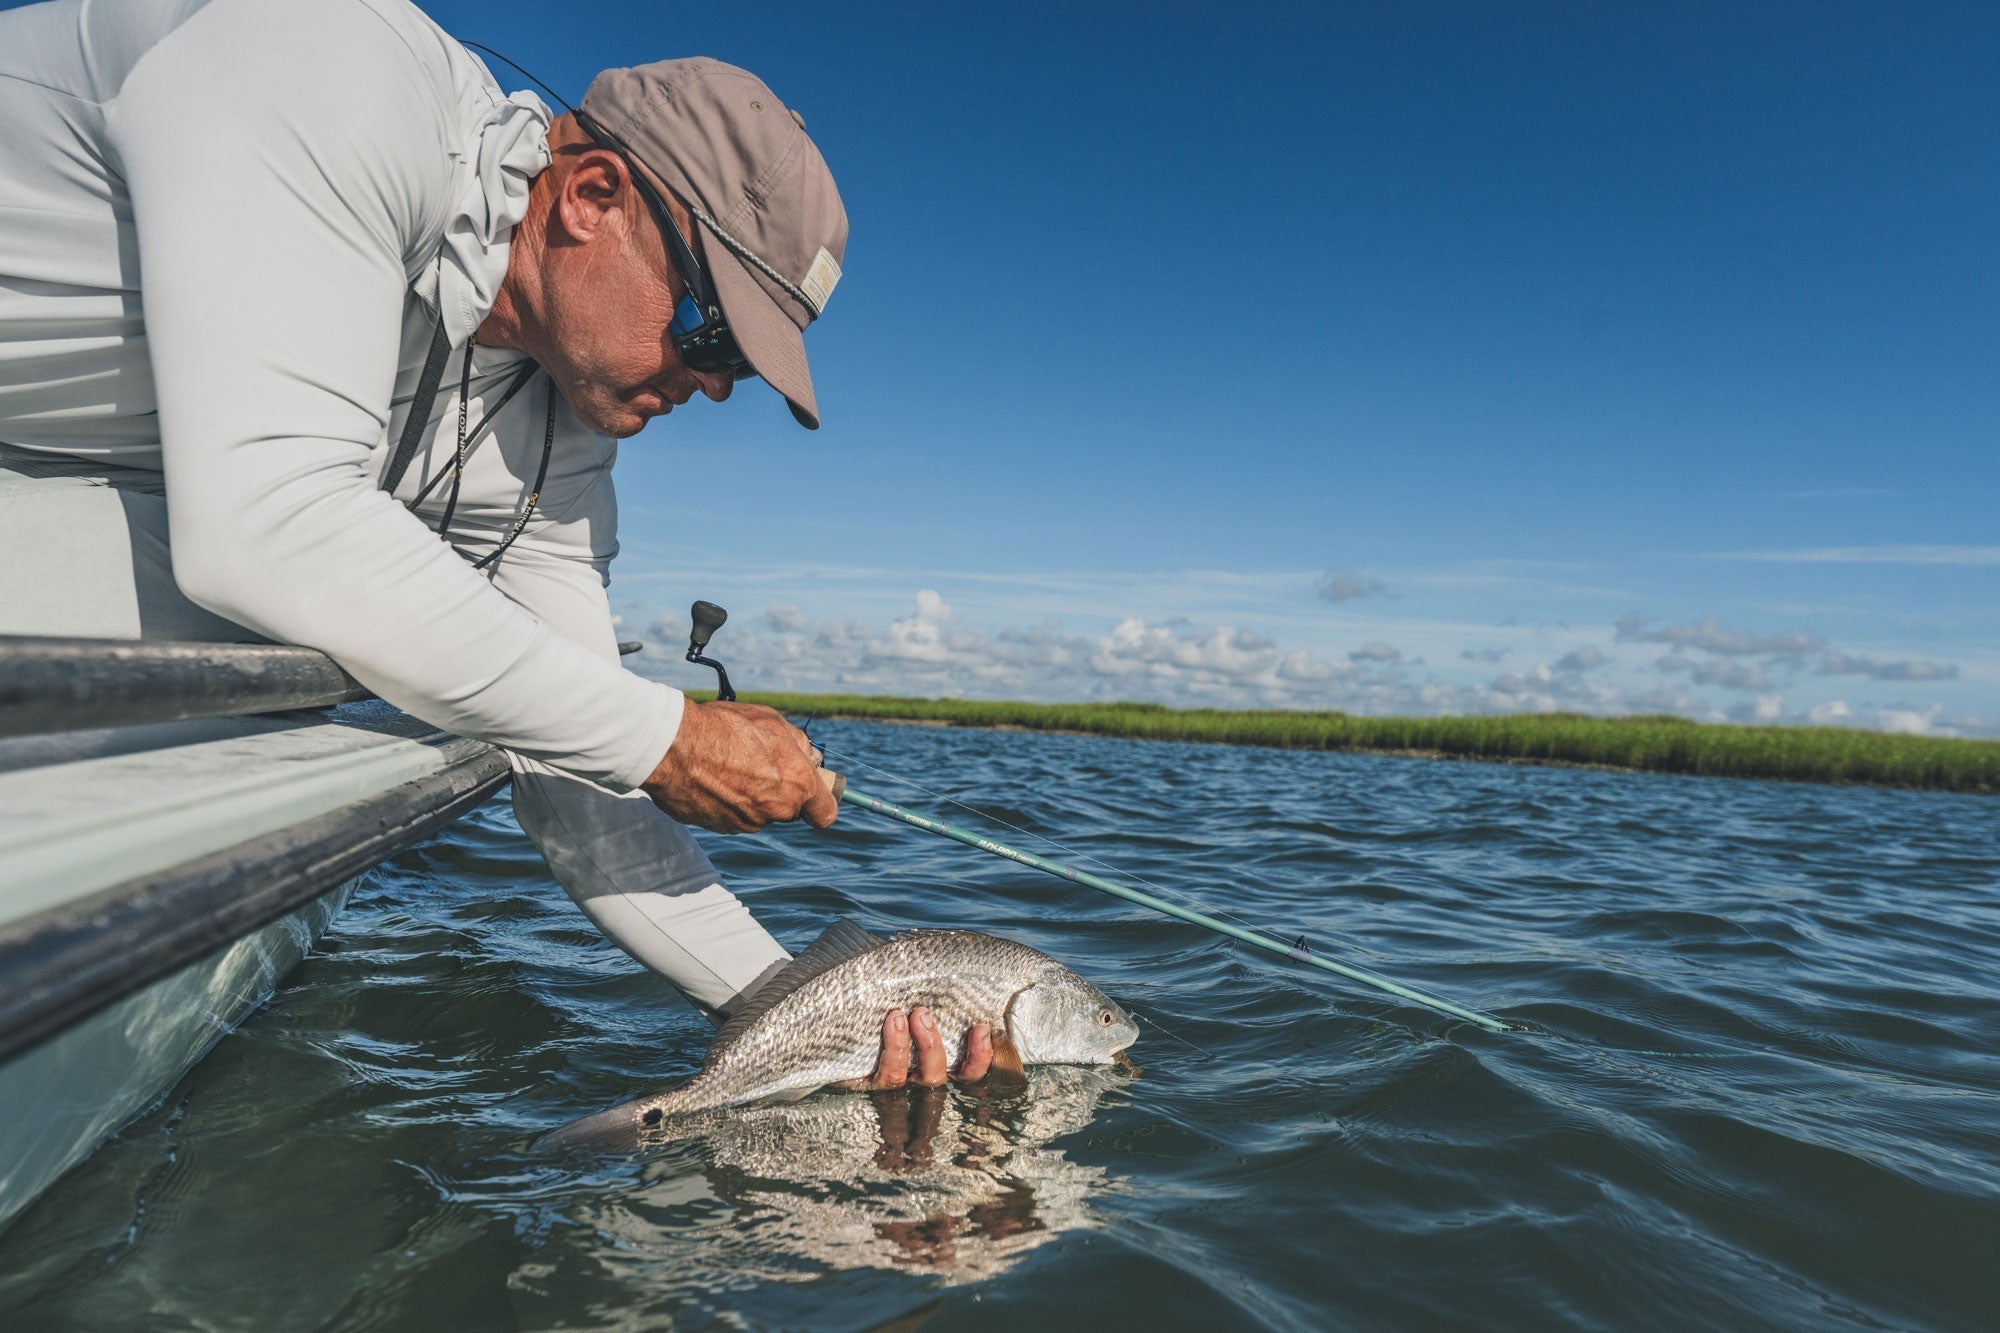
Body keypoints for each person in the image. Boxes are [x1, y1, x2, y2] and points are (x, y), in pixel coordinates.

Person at [0, 0, 987, 1089]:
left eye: (739, 370)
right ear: (591, 197)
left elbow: (572, 766)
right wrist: (673, 739)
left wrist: (807, 1022)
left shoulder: (558, 430)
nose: (710, 386)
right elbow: (268, 521)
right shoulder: (333, 67)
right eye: (712, 335)